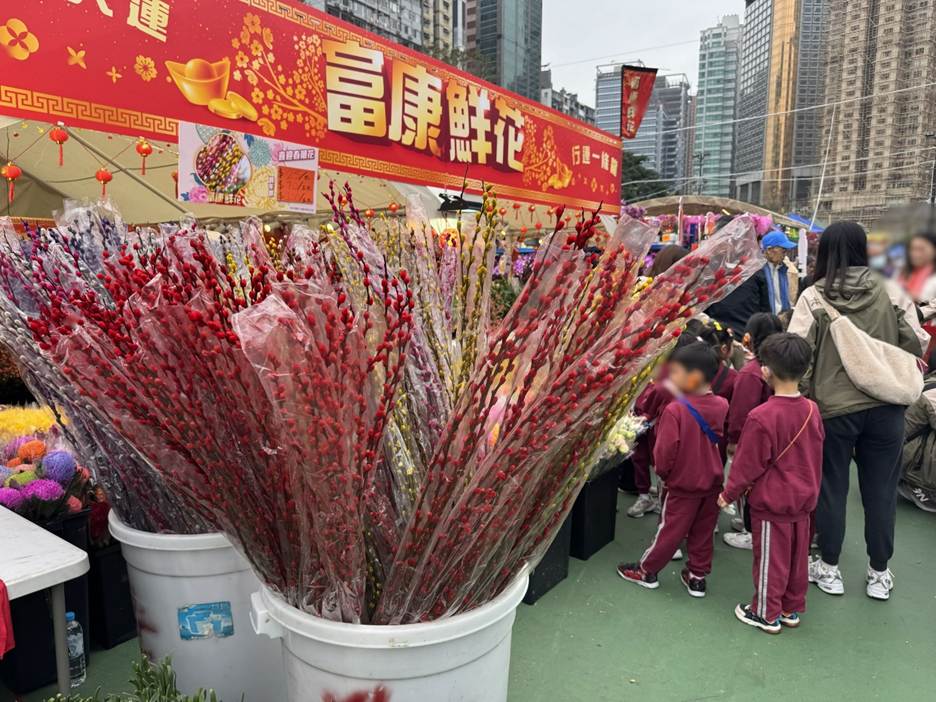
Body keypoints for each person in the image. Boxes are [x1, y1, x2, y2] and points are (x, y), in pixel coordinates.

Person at [788, 221, 927, 601]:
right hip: (887, 405)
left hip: (832, 409)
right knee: (881, 490)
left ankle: (829, 568)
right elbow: (917, 340)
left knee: (832, 487)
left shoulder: (813, 296)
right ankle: (879, 573)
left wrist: (807, 393)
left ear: (826, 251)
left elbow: (797, 353)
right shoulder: (892, 288)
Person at [718, 333, 825, 634]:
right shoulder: (812, 410)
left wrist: (729, 494)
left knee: (770, 559)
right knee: (796, 558)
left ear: (766, 370)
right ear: (805, 369)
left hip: (773, 501)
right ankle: (790, 607)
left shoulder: (761, 416)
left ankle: (765, 612)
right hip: (804, 499)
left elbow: (747, 464)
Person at [617, 342, 728, 597]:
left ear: (693, 378)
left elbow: (665, 452)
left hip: (682, 484)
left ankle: (647, 570)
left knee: (670, 530)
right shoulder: (721, 404)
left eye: (676, 372)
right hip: (712, 482)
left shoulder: (675, 410)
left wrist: (664, 475)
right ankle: (697, 576)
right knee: (703, 532)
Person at [626, 319, 709, 519]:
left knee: (663, 468)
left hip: (663, 432)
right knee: (642, 459)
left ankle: (662, 507)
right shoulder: (663, 376)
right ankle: (646, 496)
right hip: (649, 428)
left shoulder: (678, 385)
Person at [722, 313, 784, 550]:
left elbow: (741, 410)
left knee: (747, 482)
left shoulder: (751, 372)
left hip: (753, 439)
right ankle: (753, 523)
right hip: (776, 438)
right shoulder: (780, 366)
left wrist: (734, 439)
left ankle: (751, 530)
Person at [761, 231, 800, 315]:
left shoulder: (782, 270)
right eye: (783, 250)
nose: (785, 254)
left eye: (786, 251)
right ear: (769, 250)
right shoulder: (759, 272)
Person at [898, 232, 936, 303]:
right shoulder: (901, 272)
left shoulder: (933, 278)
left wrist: (917, 299)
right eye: (912, 249)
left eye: (921, 249)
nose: (915, 254)